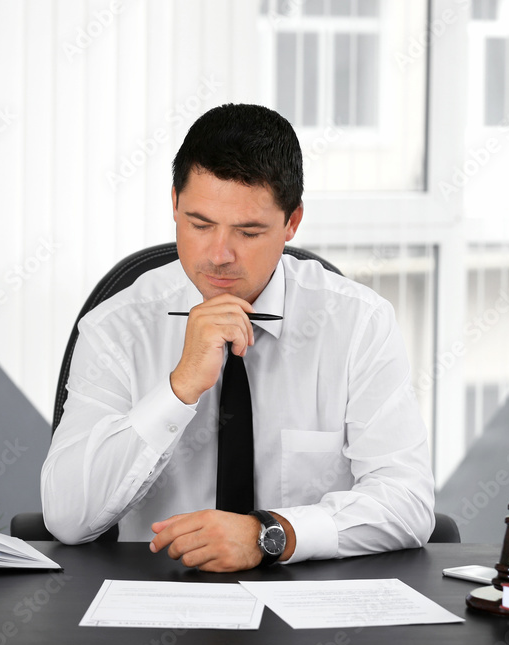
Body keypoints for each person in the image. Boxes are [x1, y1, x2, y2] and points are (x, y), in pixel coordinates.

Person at [41, 103, 434, 572]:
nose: (220, 255)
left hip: (309, 608)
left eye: (248, 231)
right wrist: (179, 387)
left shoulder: (358, 323)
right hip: (157, 599)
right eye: (200, 224)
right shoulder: (116, 327)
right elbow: (66, 518)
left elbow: (408, 503)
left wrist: (273, 533)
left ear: (292, 222)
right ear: (173, 204)